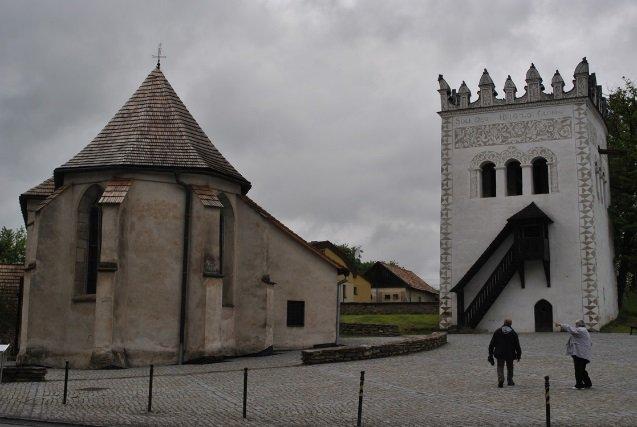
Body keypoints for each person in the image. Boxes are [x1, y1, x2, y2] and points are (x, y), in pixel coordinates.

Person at [555, 320, 592, 389]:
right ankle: (588, 383)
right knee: (582, 370)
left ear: (578, 325)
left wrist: (561, 324)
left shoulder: (581, 330)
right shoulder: (584, 330)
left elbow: (570, 329)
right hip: (582, 353)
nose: (575, 326)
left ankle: (579, 385)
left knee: (578, 369)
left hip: (580, 354)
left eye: (576, 324)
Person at [488, 318, 522, 388]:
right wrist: (519, 355)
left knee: (500, 366)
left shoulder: (498, 331)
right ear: (511, 324)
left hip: (499, 353)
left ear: (504, 323)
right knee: (510, 367)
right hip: (510, 353)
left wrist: (490, 354)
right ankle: (510, 380)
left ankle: (501, 379)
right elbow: (517, 345)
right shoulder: (513, 333)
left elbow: (492, 344)